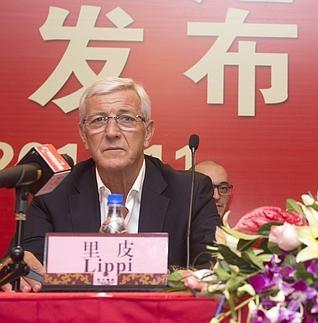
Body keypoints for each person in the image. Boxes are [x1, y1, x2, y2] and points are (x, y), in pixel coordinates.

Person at [2, 77, 220, 291]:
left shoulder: (190, 192)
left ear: (148, 132)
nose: (112, 132)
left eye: (126, 119)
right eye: (98, 120)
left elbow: (213, 267)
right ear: (83, 135)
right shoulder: (54, 193)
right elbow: (25, 268)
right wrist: (24, 271)